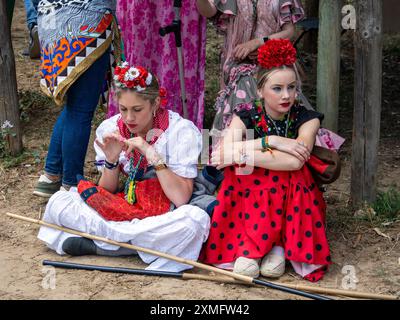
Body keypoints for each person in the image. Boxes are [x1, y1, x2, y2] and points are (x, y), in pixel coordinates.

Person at [37, 63, 210, 272]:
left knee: (193, 221)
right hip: (125, 206)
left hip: (164, 210)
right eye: (123, 109)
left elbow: (181, 198)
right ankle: (136, 245)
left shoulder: (180, 131)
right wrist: (111, 160)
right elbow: (107, 191)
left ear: (155, 103)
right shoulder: (110, 128)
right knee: (59, 202)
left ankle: (105, 245)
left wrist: (151, 153)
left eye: (137, 110)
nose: (129, 118)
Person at [200, 39, 331, 282]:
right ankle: (251, 248)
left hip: (291, 198)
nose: (286, 95)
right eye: (277, 88)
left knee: (276, 172)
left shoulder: (306, 118)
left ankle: (276, 246)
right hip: (252, 201)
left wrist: (242, 154)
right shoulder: (246, 115)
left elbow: (295, 162)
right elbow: (220, 155)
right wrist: (271, 141)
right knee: (242, 172)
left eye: (292, 88)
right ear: (260, 90)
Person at [33, 0, 120, 197]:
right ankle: (71, 184)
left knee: (75, 105)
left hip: (52, 18)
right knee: (81, 109)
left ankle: (51, 175)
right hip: (85, 20)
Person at [196, 0, 305, 135]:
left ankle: (279, 135)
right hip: (239, 60)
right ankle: (244, 140)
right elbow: (209, 11)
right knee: (244, 80)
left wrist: (260, 43)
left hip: (274, 58)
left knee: (278, 83)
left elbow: (289, 32)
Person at [107, 0, 207, 129]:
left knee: (176, 60)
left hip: (179, 7)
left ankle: (176, 130)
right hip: (142, 9)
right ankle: (131, 124)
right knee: (138, 56)